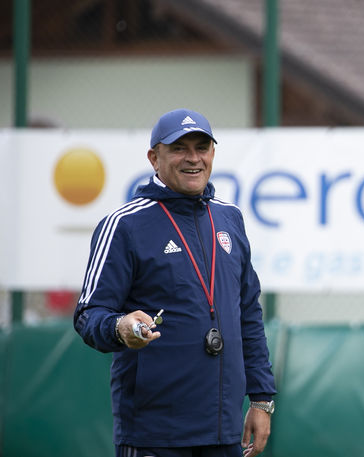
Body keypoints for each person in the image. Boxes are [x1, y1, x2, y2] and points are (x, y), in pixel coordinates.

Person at [74, 108, 276, 457]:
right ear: (154, 158)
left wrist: (261, 399)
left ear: (213, 153)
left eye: (202, 147)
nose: (193, 158)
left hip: (223, 433)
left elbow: (248, 316)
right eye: (179, 148)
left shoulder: (229, 218)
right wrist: (120, 326)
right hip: (155, 435)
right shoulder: (124, 225)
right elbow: (88, 314)